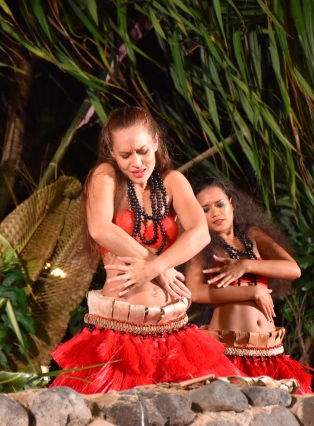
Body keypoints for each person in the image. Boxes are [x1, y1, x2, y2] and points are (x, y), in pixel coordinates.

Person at [50, 107, 241, 394]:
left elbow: (200, 233)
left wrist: (154, 268)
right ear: (111, 153)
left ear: (155, 142)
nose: (136, 162)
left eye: (142, 151)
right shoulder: (106, 176)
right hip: (119, 332)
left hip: (173, 330)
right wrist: (157, 266)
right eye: (125, 155)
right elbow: (100, 229)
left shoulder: (173, 182)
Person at [185, 177, 312, 394]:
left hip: (269, 351)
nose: (215, 213)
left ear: (232, 203)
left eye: (219, 204)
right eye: (205, 209)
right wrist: (251, 291)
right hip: (228, 352)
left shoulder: (252, 235)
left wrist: (245, 265)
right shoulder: (202, 244)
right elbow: (195, 292)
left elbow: (293, 269)